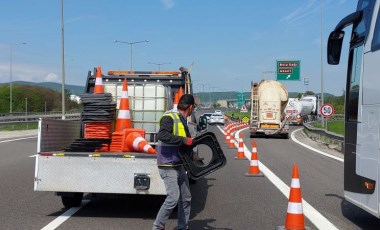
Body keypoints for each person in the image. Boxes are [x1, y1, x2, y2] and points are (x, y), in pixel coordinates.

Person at [153, 94, 195, 230]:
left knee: (186, 197)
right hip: (167, 164)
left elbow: (184, 142)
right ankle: (158, 226)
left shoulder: (182, 120)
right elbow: (162, 135)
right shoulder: (169, 117)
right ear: (191, 107)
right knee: (173, 198)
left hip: (178, 163)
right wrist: (184, 140)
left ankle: (182, 227)